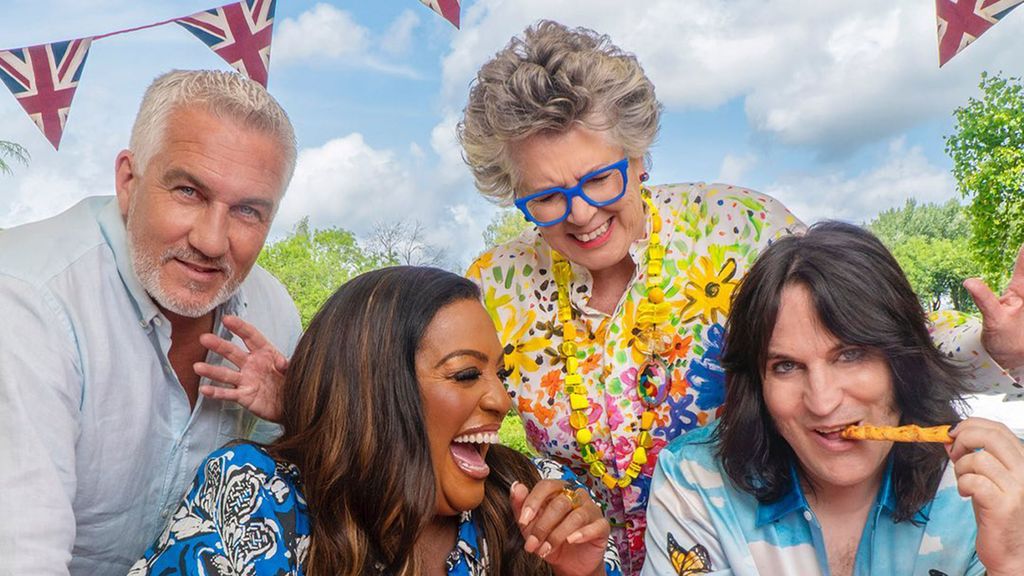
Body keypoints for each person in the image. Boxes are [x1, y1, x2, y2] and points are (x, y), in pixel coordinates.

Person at [459, 20, 1024, 573]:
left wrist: (998, 344)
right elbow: (450, 414)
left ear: (637, 157)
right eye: (547, 197)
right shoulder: (492, 288)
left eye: (600, 178)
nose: (581, 213)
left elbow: (875, 334)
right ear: (515, 193)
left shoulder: (737, 225)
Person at [0, 70, 301, 575]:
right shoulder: (27, 299)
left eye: (247, 211)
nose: (211, 240)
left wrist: (294, 414)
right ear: (128, 180)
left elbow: (299, 518)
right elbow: (23, 556)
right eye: (188, 191)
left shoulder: (272, 311)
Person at [129, 267, 622, 576]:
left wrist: (585, 574)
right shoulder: (257, 496)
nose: (501, 400)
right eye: (467, 373)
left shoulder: (543, 497)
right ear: (378, 387)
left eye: (500, 374)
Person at [643, 222, 1024, 576]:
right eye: (786, 366)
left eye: (851, 355)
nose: (823, 403)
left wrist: (1011, 562)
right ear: (756, 383)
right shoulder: (694, 481)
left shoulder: (1000, 488)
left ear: (903, 360)